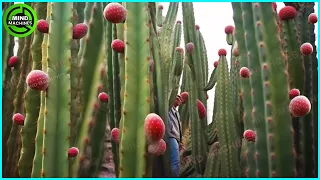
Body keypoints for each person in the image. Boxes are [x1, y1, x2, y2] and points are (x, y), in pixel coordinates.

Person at [167, 95, 184, 177]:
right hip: (171, 137)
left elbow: (179, 127)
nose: (179, 98)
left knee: (176, 161)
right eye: (176, 96)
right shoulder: (168, 108)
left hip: (176, 139)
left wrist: (180, 141)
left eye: (180, 98)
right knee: (175, 162)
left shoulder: (177, 113)